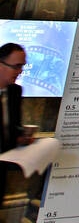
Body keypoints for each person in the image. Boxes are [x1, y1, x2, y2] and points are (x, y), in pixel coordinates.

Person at [0, 42, 32, 204]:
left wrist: (22, 139)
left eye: (22, 66)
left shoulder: (15, 92)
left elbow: (13, 129)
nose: (20, 71)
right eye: (16, 66)